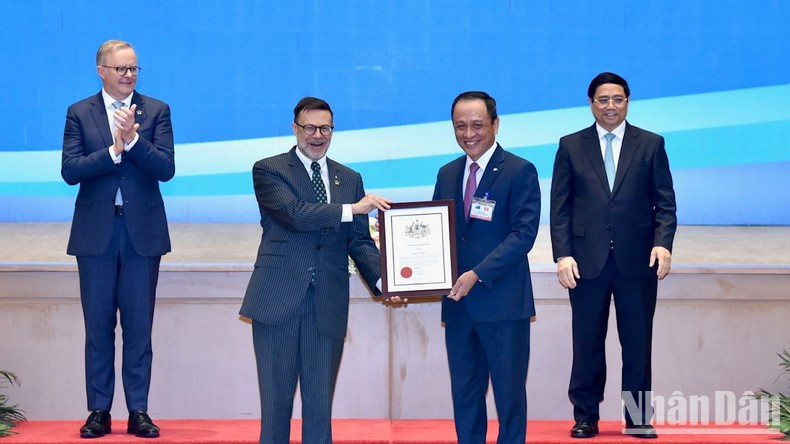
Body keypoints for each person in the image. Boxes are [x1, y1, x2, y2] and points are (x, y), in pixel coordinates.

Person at [240, 97, 391, 444]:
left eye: (325, 128)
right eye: (309, 128)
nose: (317, 135)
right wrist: (352, 209)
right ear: (295, 129)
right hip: (277, 301)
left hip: (327, 303)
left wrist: (385, 281)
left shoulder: (349, 178)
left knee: (320, 408)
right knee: (276, 406)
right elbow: (295, 214)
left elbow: (359, 242)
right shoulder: (269, 169)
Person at [550, 72, 677, 439]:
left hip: (637, 262)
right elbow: (560, 207)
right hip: (585, 262)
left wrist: (663, 242)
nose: (610, 106)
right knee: (586, 343)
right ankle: (585, 417)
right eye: (603, 99)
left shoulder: (650, 144)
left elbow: (665, 203)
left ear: (627, 101)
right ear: (591, 103)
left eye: (617, 99)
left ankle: (637, 418)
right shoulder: (571, 145)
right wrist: (563, 254)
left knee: (637, 344)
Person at [61, 39, 174, 439]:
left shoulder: (156, 110)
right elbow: (70, 170)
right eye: (121, 68)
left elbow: (166, 169)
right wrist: (113, 150)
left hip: (142, 234)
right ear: (101, 71)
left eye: (134, 69)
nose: (129, 75)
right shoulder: (80, 112)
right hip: (97, 235)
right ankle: (99, 411)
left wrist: (136, 142)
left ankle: (138, 410)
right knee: (98, 329)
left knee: (139, 328)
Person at [432, 91, 541, 443]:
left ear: (495, 124)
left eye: (477, 125)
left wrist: (478, 273)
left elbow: (522, 235)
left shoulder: (520, 171)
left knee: (509, 398)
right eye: (460, 126)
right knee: (465, 395)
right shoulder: (447, 173)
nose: (469, 134)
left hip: (503, 304)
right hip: (459, 306)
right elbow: (438, 233)